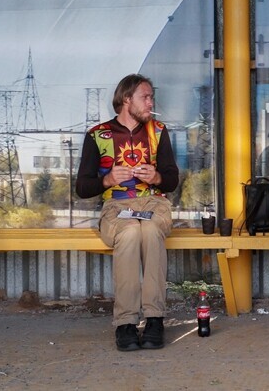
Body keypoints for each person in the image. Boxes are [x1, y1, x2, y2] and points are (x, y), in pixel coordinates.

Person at [76, 74, 179, 352]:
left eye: (151, 97)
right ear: (126, 99)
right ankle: (126, 322)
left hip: (154, 203)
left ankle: (155, 319)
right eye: (145, 97)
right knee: (131, 231)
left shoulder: (158, 132)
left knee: (150, 229)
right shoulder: (98, 135)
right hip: (116, 206)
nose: (151, 103)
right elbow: (82, 187)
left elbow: (172, 181)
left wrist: (157, 177)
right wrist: (107, 180)